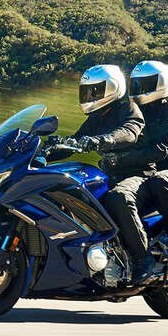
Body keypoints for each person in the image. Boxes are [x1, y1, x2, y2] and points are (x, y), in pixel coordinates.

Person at [60, 65, 152, 280]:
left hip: (138, 174)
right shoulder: (96, 117)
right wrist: (46, 150)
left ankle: (143, 258)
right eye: (87, 91)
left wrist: (104, 139)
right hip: (111, 175)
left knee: (118, 197)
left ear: (112, 88)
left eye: (95, 90)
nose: (90, 96)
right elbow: (75, 142)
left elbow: (129, 132)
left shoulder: (128, 108)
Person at [121, 60, 168, 256]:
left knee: (160, 182)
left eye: (145, 84)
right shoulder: (134, 112)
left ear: (162, 83)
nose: (139, 89)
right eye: (137, 84)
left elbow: (160, 150)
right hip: (145, 173)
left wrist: (126, 158)